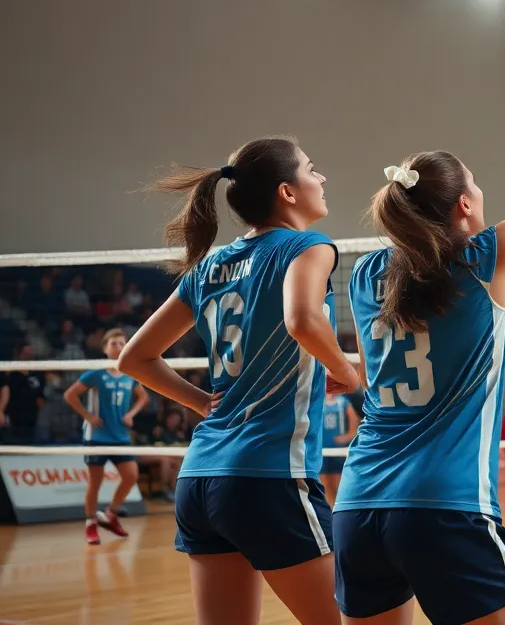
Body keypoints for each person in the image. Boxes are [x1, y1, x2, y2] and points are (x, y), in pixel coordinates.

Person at [333, 36, 505, 625]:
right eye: (473, 182)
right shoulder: (482, 260)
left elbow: (376, 374)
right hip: (444, 505)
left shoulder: (365, 274)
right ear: (462, 208)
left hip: (356, 504)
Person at [118, 136, 362, 625]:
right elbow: (303, 320)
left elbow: (135, 357)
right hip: (269, 477)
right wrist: (347, 373)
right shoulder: (308, 246)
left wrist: (202, 403)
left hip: (200, 477)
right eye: (312, 169)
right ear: (287, 192)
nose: (322, 178)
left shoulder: (210, 265)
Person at [63, 329, 149, 543]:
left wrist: (131, 413)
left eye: (122, 343)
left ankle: (111, 514)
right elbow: (70, 394)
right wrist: (87, 416)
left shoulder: (130, 373)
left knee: (131, 476)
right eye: (113, 344)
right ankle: (91, 523)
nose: (118, 347)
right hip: (97, 436)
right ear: (104, 348)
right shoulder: (96, 372)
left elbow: (143, 397)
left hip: (120, 436)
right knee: (95, 482)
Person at [320, 393, 360, 505]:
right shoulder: (318, 400)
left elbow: (355, 424)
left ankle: (338, 509)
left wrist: (346, 437)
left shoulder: (343, 402)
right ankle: (331, 512)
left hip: (338, 451)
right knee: (324, 484)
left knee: (338, 483)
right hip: (322, 450)